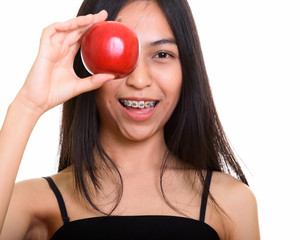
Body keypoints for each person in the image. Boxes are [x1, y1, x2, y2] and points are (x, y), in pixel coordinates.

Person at [0, 0, 260, 239]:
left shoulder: (230, 202)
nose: (139, 80)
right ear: (87, 64)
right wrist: (27, 105)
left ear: (186, 70)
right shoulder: (32, 202)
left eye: (162, 55)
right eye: (119, 52)